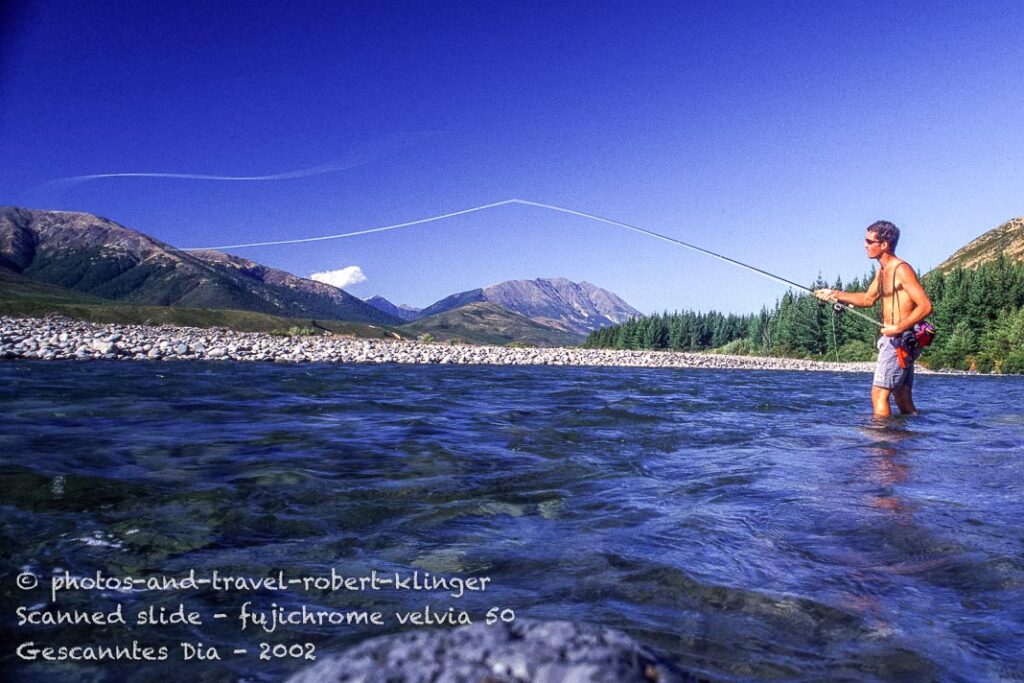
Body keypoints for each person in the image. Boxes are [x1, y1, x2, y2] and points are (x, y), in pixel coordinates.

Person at [815, 220, 933, 417]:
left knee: (879, 393)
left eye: (870, 241)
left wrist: (897, 328)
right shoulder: (883, 271)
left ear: (884, 244)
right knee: (901, 394)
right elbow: (867, 299)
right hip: (899, 338)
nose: (865, 245)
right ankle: (912, 440)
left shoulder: (901, 269)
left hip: (899, 339)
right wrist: (834, 294)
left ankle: (882, 442)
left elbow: (925, 306)